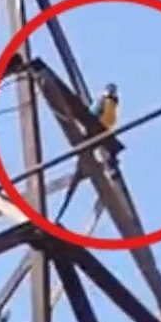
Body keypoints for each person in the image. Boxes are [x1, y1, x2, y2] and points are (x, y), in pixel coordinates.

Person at [53, 83, 121, 224]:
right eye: (109, 91)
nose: (111, 93)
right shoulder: (102, 101)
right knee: (81, 168)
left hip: (103, 130)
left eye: (113, 91)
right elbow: (93, 116)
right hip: (94, 130)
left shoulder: (113, 105)